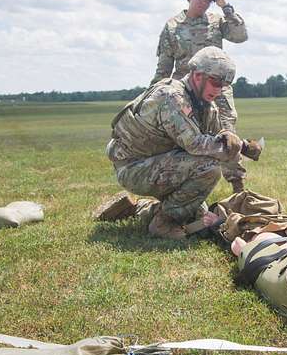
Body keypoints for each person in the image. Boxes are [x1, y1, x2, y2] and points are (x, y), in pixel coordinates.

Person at [104, 47, 246, 240]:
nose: (219, 90)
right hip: (133, 168)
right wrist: (239, 146)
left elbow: (220, 143)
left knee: (195, 211)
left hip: (158, 163)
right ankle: (162, 224)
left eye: (224, 85)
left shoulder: (206, 106)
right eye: (215, 82)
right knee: (208, 169)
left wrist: (239, 189)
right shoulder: (171, 96)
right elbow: (195, 144)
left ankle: (139, 208)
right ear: (197, 76)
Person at [152, 0, 249, 193]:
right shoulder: (172, 26)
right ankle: (182, 188)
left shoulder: (216, 21)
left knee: (227, 132)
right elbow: (164, 67)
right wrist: (154, 94)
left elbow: (241, 35)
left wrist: (226, 6)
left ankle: (238, 190)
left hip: (217, 89)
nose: (204, 3)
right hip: (185, 92)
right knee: (183, 136)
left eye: (209, 0)